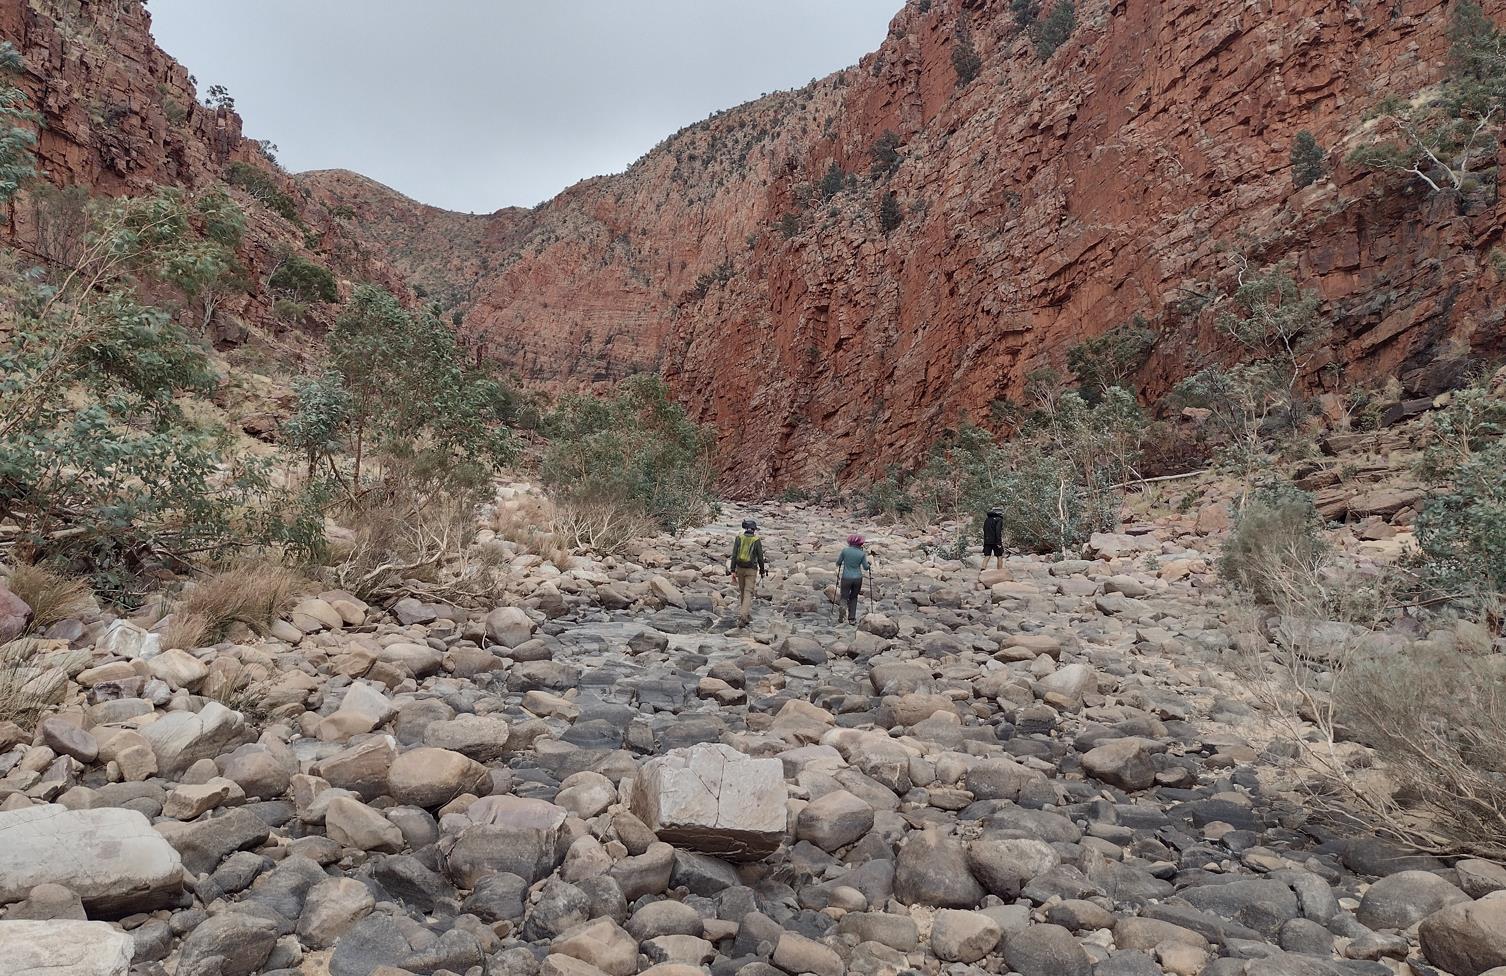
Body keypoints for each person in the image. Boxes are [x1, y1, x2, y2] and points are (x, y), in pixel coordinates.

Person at [727, 518, 767, 626]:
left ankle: (746, 615)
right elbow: (760, 558)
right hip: (751, 570)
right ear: (754, 529)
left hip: (740, 569)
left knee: (742, 592)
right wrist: (762, 571)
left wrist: (732, 570)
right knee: (748, 593)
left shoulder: (739, 538)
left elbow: (734, 555)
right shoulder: (756, 540)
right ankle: (743, 616)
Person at [835, 533, 871, 624]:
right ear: (860, 544)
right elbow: (866, 567)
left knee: (844, 596)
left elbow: (838, 562)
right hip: (858, 578)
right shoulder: (862, 554)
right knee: (854, 597)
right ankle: (852, 619)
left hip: (846, 577)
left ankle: (842, 610)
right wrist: (869, 564)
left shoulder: (845, 551)